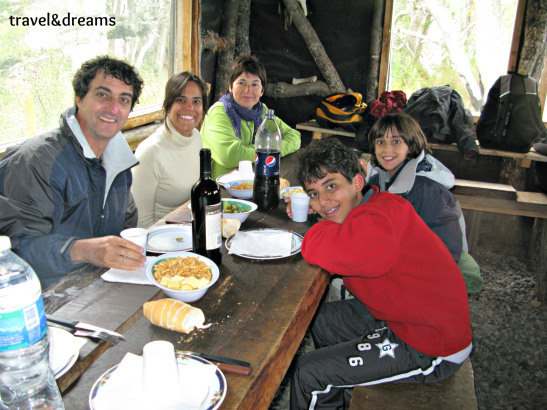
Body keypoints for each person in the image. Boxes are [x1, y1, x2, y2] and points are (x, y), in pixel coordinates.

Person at [290, 139, 472, 409]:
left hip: (432, 345)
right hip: (403, 318)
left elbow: (323, 247)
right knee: (320, 319)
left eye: (331, 186)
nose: (323, 201)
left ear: (356, 182)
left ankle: (330, 382)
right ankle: (340, 391)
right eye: (313, 194)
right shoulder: (374, 205)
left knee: (309, 373)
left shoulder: (380, 221)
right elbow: (335, 241)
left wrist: (314, 225)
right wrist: (321, 220)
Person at [0, 55, 146, 288]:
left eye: (124, 100)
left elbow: (126, 226)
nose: (113, 108)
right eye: (102, 95)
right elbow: (16, 249)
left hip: (97, 287)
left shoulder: (119, 162)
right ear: (79, 98)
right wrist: (82, 250)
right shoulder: (37, 160)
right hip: (42, 299)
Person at [366, 113, 483, 293]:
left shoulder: (428, 189)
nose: (386, 149)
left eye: (396, 142)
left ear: (411, 145)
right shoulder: (381, 178)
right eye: (380, 142)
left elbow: (446, 249)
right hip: (403, 258)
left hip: (427, 272)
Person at [201, 55, 301, 179]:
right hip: (221, 189)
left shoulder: (262, 111)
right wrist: (269, 151)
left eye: (254, 84)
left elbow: (295, 137)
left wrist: (267, 150)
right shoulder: (219, 113)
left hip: (252, 182)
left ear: (262, 91)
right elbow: (230, 156)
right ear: (230, 86)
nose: (248, 90)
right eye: (242, 83)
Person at [131, 72, 208, 228]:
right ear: (168, 105)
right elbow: (141, 224)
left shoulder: (197, 138)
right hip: (162, 239)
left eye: (196, 101)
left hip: (191, 228)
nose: (189, 108)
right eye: (181, 100)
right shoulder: (150, 152)